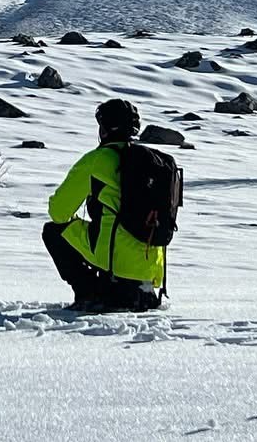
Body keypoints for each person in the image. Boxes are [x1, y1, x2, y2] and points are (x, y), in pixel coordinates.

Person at [42, 98, 165, 311]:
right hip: (151, 271)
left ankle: (91, 293)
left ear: (105, 128)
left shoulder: (96, 160)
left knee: (53, 231)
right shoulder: (152, 162)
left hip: (115, 262)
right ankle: (136, 288)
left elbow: (58, 213)